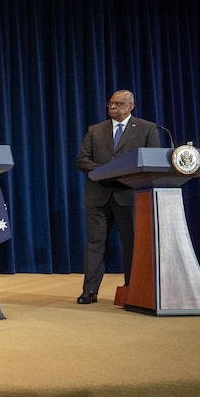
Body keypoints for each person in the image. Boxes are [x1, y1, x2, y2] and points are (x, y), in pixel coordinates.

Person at [75, 89, 160, 305]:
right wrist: (106, 171)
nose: (112, 107)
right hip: (98, 195)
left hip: (129, 195)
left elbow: (153, 160)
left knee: (132, 243)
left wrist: (122, 173)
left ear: (130, 106)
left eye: (118, 104)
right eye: (110, 103)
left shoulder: (147, 128)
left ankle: (133, 288)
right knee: (95, 243)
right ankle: (90, 291)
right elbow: (82, 160)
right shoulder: (95, 130)